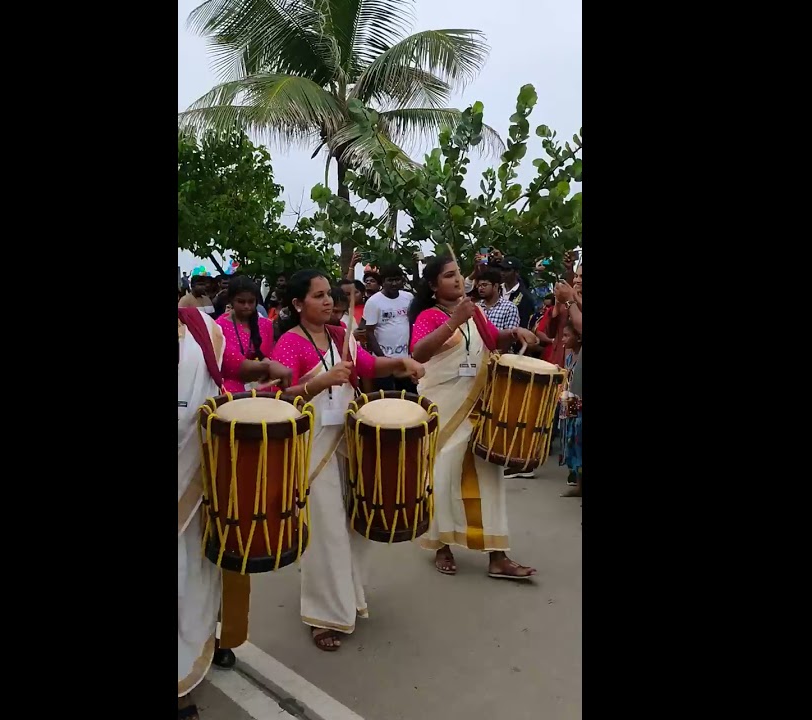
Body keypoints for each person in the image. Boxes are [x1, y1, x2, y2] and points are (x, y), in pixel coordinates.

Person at [264, 270, 424, 652]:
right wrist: (319, 382)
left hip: (348, 441)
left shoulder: (340, 336)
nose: (327, 301)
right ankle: (322, 614)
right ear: (298, 304)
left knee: (355, 526)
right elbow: (279, 394)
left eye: (328, 295)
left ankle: (347, 597)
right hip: (312, 444)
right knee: (326, 531)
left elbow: (368, 367)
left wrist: (403, 362)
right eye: (317, 296)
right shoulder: (290, 342)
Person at [177, 306, 292, 720]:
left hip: (201, 465)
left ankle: (195, 657)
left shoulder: (198, 326)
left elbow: (227, 365)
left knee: (199, 571)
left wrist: (264, 367)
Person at [408, 254, 540, 581]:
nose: (457, 280)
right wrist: (454, 321)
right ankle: (441, 545)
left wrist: (515, 332)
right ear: (433, 284)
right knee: (443, 475)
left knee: (488, 474)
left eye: (458, 275)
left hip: (480, 405)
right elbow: (420, 352)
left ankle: (498, 555)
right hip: (443, 406)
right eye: (449, 275)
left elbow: (491, 341)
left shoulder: (476, 311)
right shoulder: (429, 315)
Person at [216, 276, 277, 394]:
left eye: (251, 302)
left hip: (262, 390)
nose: (246, 306)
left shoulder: (266, 325)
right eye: (241, 301)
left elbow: (269, 355)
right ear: (231, 300)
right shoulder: (219, 326)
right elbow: (229, 364)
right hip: (229, 393)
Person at [363, 264, 417, 395]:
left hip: (404, 360)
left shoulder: (408, 297)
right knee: (387, 398)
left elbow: (410, 324)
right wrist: (383, 359)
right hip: (383, 362)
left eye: (397, 279)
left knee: (408, 397)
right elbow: (369, 333)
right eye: (390, 280)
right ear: (383, 282)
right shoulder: (373, 302)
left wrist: (411, 351)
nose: (394, 283)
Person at [555, 272, 583, 498]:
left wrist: (571, 299)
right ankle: (579, 481)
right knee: (574, 433)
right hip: (576, 391)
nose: (578, 280)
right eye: (577, 276)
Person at [558, 319, 583, 489]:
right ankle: (572, 473)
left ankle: (578, 476)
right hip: (569, 400)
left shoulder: (580, 357)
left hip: (578, 401)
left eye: (567, 336)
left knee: (577, 436)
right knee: (568, 435)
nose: (563, 340)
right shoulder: (568, 357)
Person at [474, 267, 521, 333]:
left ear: (495, 286)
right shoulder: (476, 307)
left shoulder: (509, 308)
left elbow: (511, 336)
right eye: (479, 286)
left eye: (484, 285)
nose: (480, 288)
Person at [498, 256, 537, 333]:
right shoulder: (496, 290)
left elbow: (524, 323)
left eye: (507, 270)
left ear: (516, 272)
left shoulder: (525, 297)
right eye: (502, 269)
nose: (503, 273)